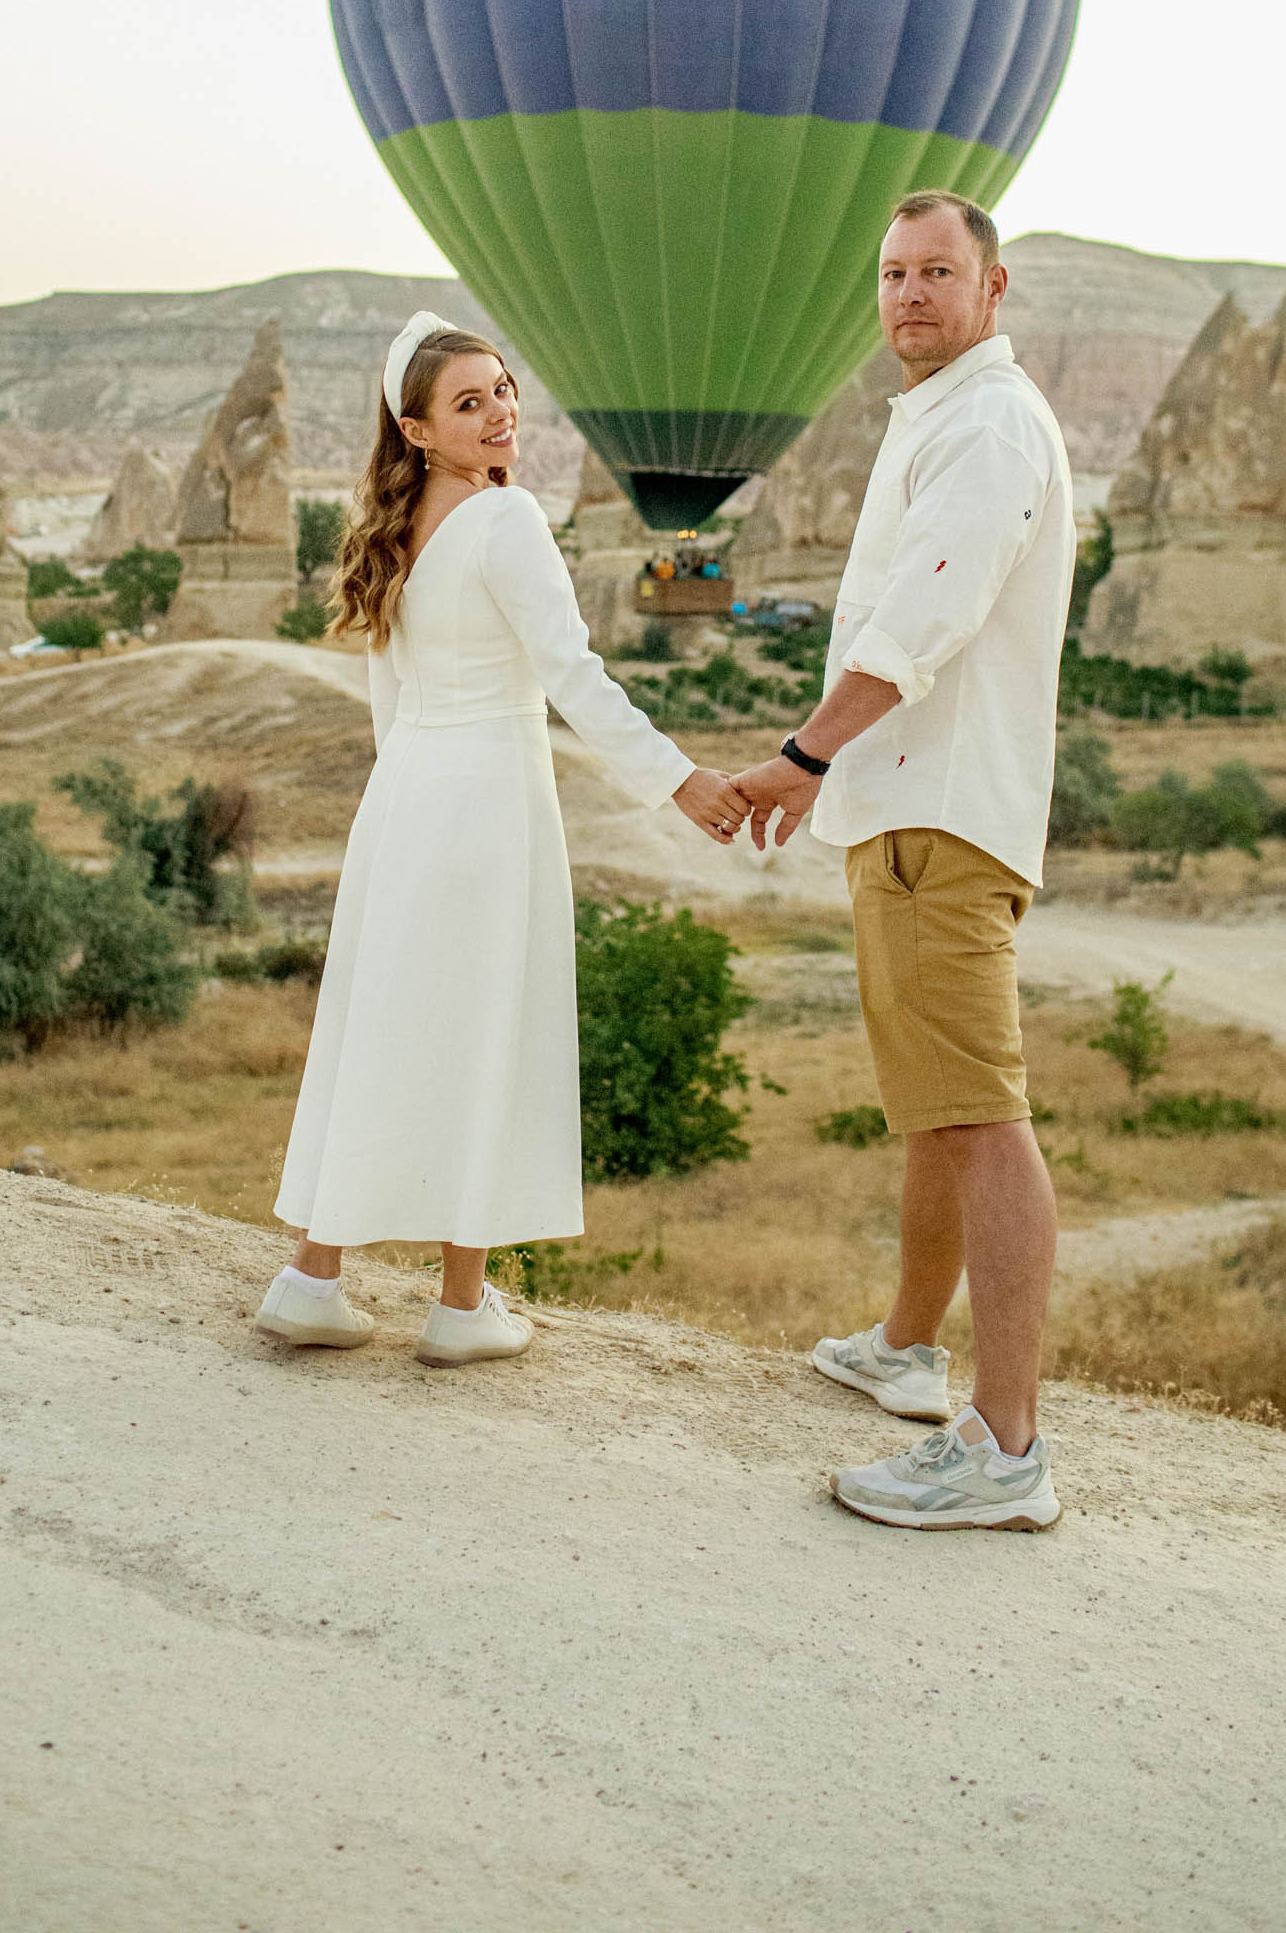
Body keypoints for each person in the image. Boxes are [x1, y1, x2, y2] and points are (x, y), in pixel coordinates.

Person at [257, 312, 747, 1368]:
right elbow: (573, 674)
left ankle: (312, 1277)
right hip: (488, 801)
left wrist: (407, 797)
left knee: (381, 1023)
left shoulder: (397, 531)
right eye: (469, 402)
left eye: (504, 392)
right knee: (486, 1029)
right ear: (416, 429)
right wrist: (678, 778)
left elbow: (389, 696)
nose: (500, 415)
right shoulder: (506, 517)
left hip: (407, 797)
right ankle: (460, 1303)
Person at [731, 192, 1073, 1530]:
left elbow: (923, 619)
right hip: (913, 805)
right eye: (893, 273)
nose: (911, 293)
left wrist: (799, 757)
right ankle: (904, 1349)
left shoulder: (988, 425)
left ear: (993, 289)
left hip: (937, 808)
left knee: (979, 1115)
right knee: (939, 1106)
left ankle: (1004, 1449)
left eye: (939, 271)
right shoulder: (943, 416)